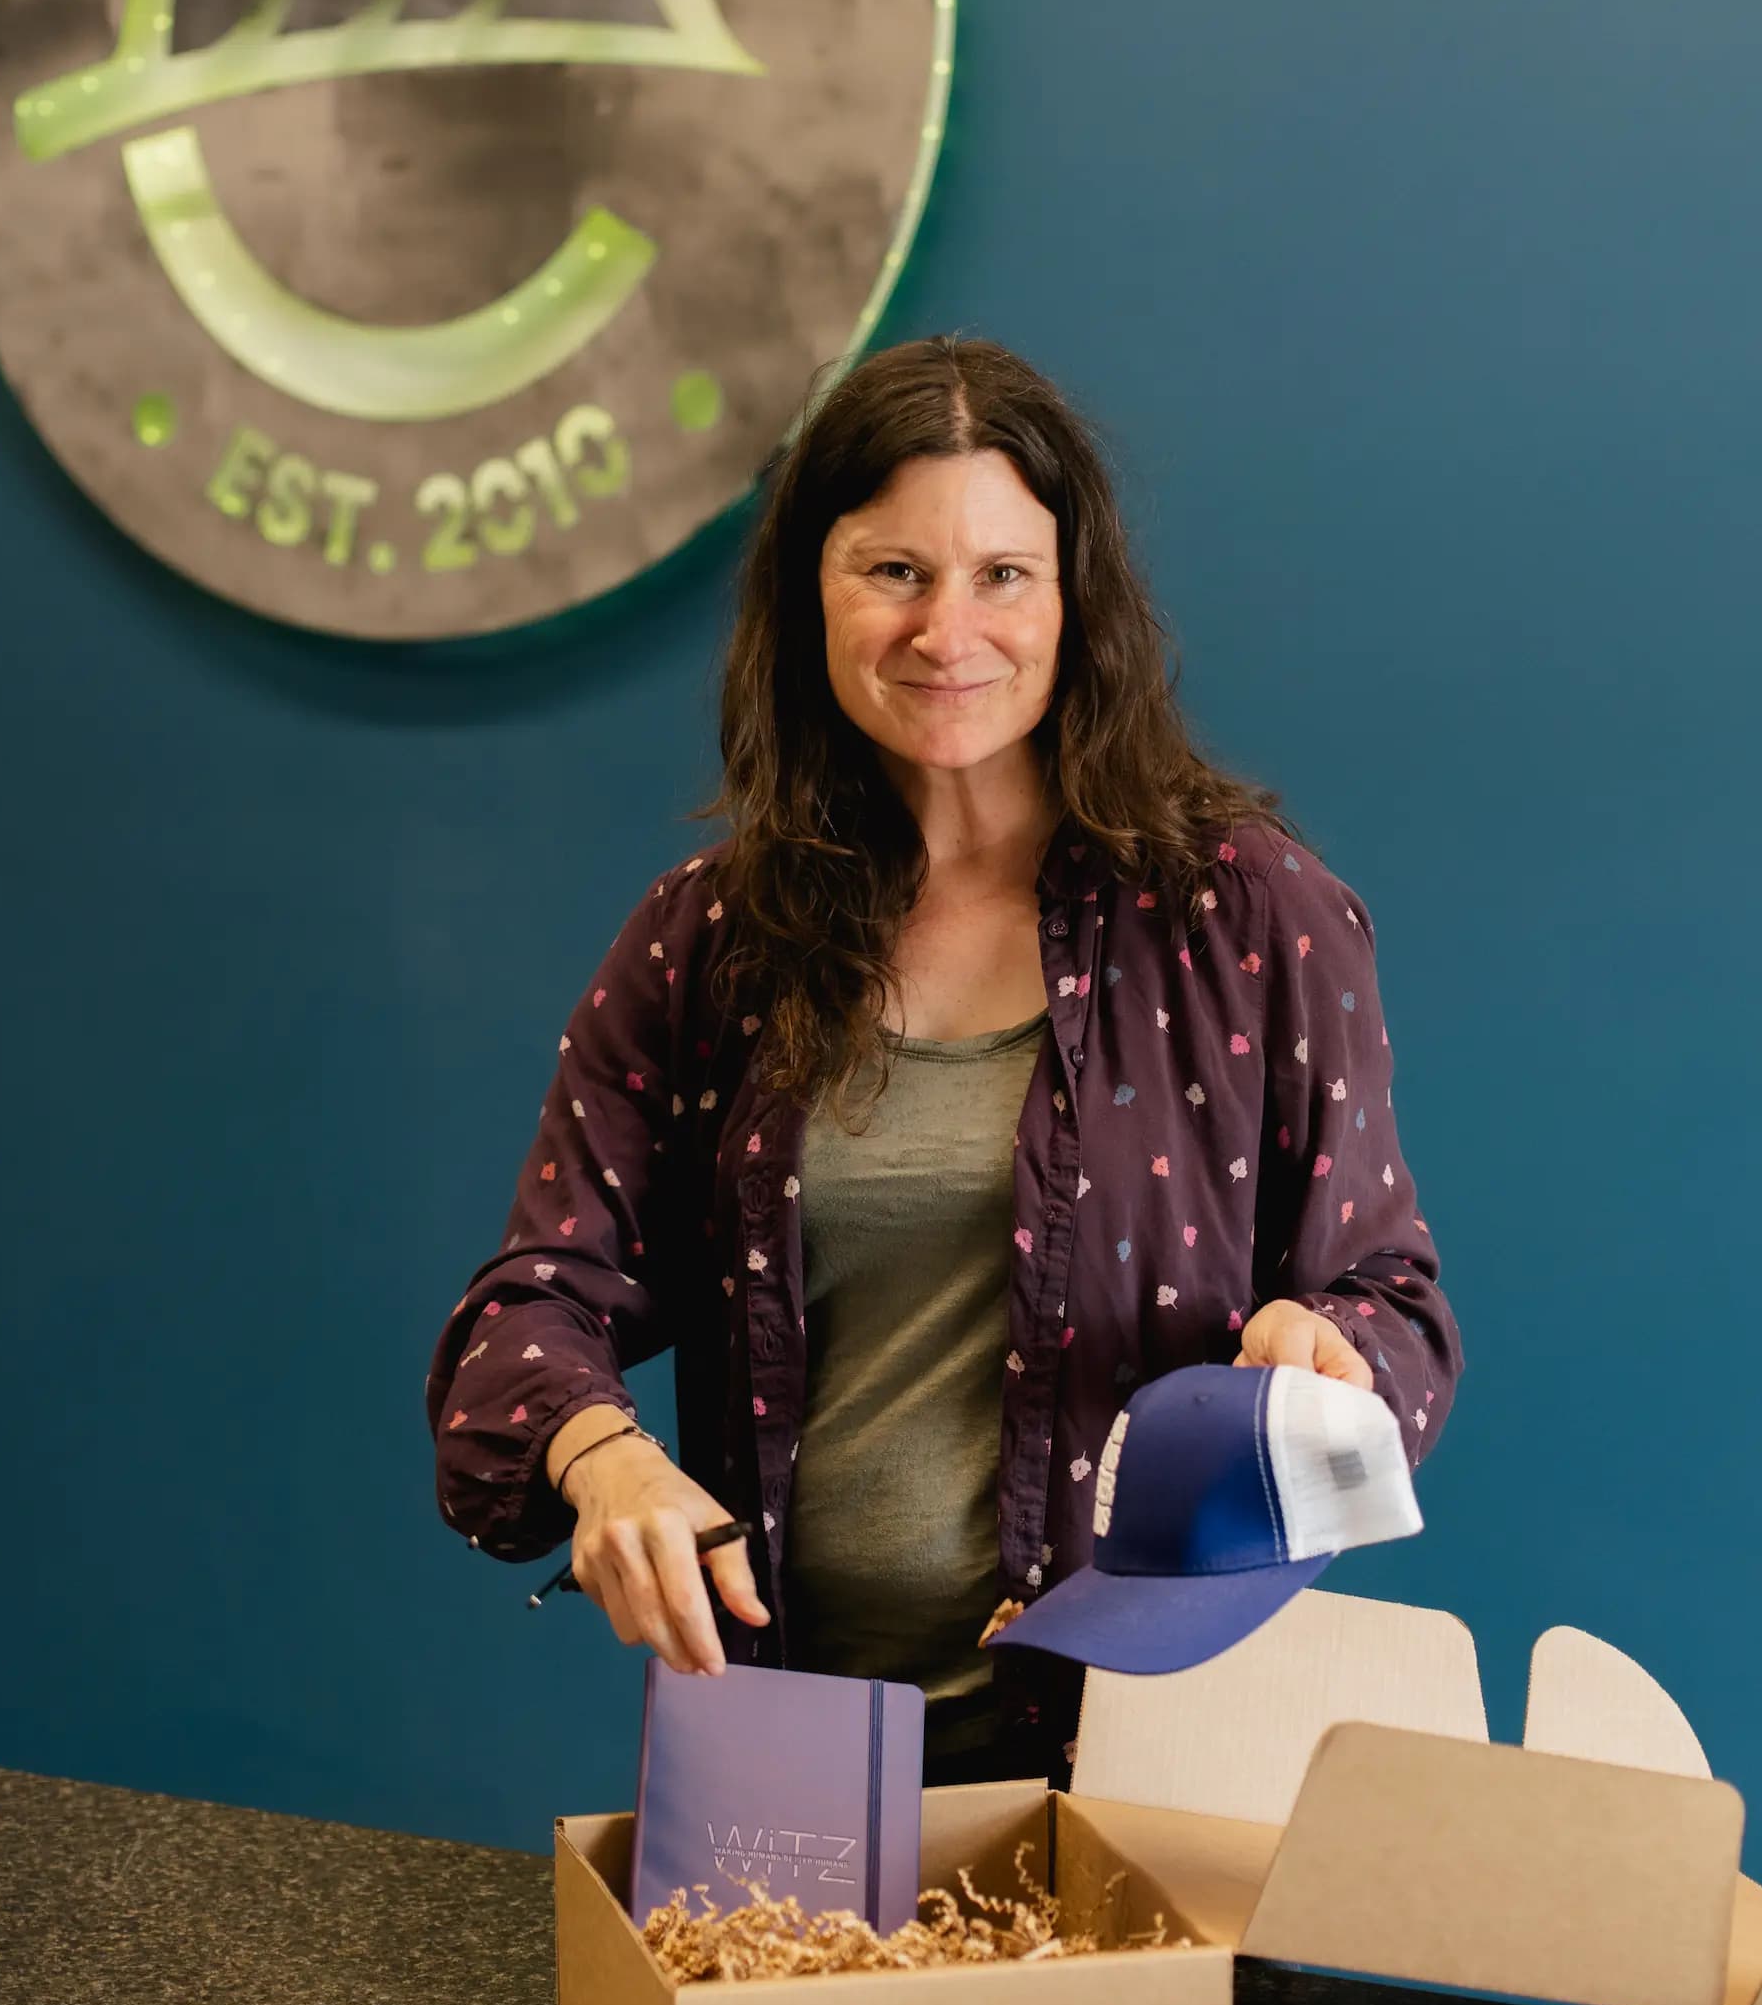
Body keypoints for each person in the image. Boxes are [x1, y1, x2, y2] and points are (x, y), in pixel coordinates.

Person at [426, 336, 1463, 1783]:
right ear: (812, 596)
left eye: (1002, 575)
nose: (946, 629)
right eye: (894, 572)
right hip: (794, 1762)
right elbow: (524, 1317)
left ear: (1072, 599)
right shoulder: (709, 939)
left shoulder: (1250, 912)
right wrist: (604, 1461)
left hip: (1151, 1752)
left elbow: (1397, 1306)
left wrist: (1334, 1359)